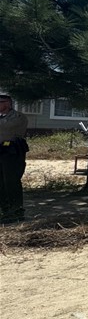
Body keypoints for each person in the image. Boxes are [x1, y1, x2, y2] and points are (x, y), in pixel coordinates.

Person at [0, 94, 29, 224]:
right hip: (0, 151)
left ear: (8, 103)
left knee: (11, 181)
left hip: (11, 151)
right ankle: (4, 208)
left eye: (1, 102)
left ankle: (16, 210)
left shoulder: (18, 117)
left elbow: (6, 127)